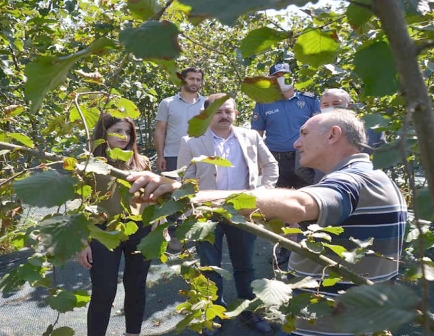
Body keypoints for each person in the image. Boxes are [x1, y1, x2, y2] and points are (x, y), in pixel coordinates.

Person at [127, 110, 408, 336]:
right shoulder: (373, 177)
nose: (297, 143)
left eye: (304, 133)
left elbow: (298, 205)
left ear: (334, 135)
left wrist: (184, 193)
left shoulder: (353, 180)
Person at [176, 93, 278, 335]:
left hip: (243, 211)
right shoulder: (191, 141)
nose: (224, 116)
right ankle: (214, 314)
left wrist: (263, 193)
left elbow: (271, 165)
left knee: (245, 265)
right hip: (206, 213)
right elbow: (183, 177)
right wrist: (194, 204)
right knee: (210, 266)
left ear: (235, 113)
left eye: (228, 111)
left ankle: (248, 310)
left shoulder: (251, 136)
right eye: (218, 112)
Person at [78, 113, 153, 336]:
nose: (124, 136)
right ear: (103, 133)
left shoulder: (141, 162)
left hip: (139, 231)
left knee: (136, 287)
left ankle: (133, 333)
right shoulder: (89, 166)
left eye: (128, 132)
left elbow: (152, 201)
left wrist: (160, 228)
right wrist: (82, 242)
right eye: (117, 131)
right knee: (104, 290)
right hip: (103, 232)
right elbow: (79, 206)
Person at [251, 62, 320, 264]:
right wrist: (256, 162)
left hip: (305, 162)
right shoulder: (264, 103)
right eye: (276, 76)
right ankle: (285, 249)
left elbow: (320, 129)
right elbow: (257, 134)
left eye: (285, 75)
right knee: (280, 208)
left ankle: (310, 248)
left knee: (309, 204)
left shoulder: (309, 101)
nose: (281, 79)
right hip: (276, 161)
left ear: (292, 77)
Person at [296, 88, 387, 184]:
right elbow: (301, 167)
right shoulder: (311, 130)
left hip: (366, 185)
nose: (331, 108)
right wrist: (319, 180)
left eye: (336, 104)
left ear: (349, 105)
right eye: (325, 105)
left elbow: (385, 157)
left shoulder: (371, 129)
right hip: (327, 187)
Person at [154, 66, 206, 173]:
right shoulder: (167, 103)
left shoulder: (207, 104)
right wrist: (160, 156)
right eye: (191, 79)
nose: (195, 82)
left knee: (201, 188)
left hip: (201, 155)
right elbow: (160, 131)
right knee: (172, 187)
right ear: (182, 80)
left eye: (198, 80)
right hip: (173, 155)